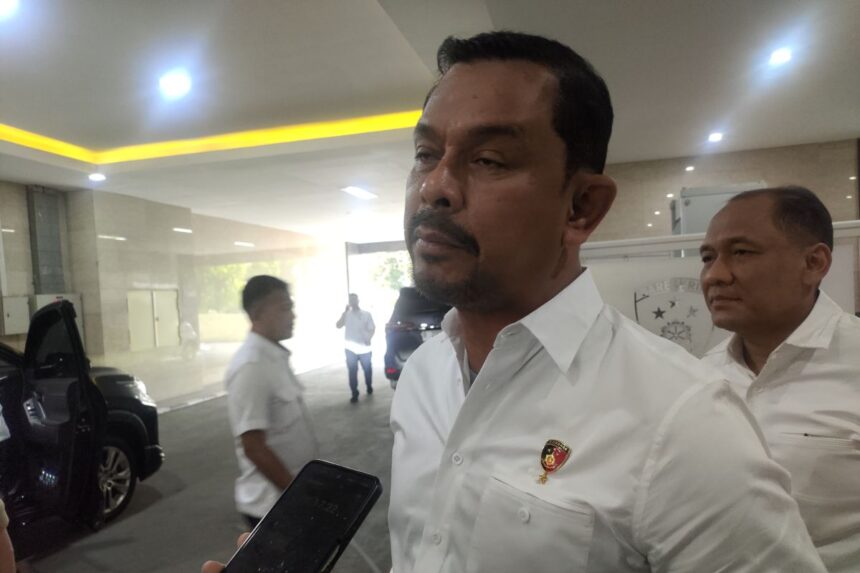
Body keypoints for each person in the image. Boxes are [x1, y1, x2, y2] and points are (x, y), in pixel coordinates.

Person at [388, 31, 825, 572]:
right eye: (425, 154)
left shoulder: (683, 422)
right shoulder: (423, 377)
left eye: (490, 160)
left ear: (581, 207)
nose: (434, 186)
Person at [700, 186, 860, 572]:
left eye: (742, 252)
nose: (715, 275)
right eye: (707, 257)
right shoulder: (699, 375)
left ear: (814, 263)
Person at [224, 275, 318, 529]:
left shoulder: (273, 358)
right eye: (284, 308)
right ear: (258, 313)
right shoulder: (251, 365)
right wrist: (295, 494)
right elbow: (254, 446)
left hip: (288, 497)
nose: (292, 315)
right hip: (272, 507)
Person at [335, 293, 375, 403]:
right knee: (352, 371)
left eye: (354, 300)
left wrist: (369, 338)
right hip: (350, 349)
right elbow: (338, 325)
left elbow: (372, 328)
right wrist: (344, 313)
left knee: (367, 369)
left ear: (358, 301)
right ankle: (354, 393)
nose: (353, 302)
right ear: (349, 302)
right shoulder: (346, 315)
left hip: (364, 348)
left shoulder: (366, 314)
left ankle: (369, 385)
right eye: (351, 300)